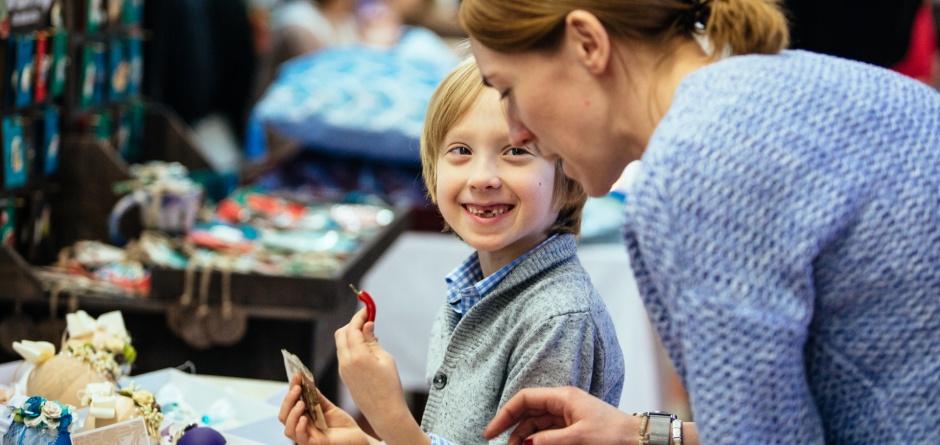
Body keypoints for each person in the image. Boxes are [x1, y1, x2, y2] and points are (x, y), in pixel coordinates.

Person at [457, 0, 940, 444]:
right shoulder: (786, 82)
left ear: (588, 43)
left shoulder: (695, 170)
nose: (518, 129)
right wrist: (643, 435)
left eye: (509, 90)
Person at [278, 56, 626, 445]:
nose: (482, 178)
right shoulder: (474, 288)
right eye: (461, 150)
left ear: (571, 171)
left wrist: (389, 417)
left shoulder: (557, 319)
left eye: (515, 152)